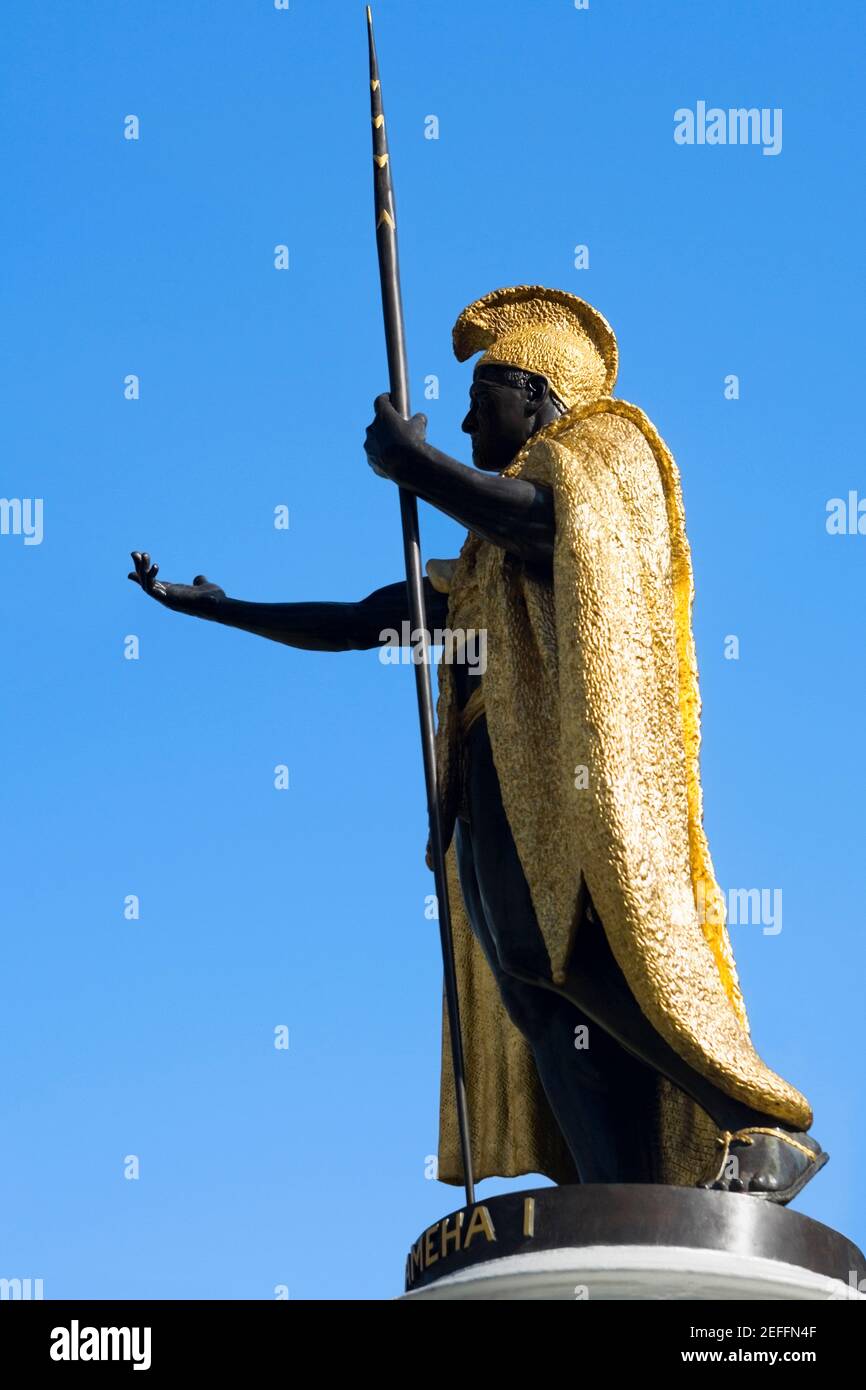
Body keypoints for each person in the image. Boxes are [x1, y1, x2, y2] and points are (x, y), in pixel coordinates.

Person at [130, 285, 826, 1202]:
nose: (461, 418)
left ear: (535, 393)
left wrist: (416, 468)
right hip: (491, 771)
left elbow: (554, 525)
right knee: (529, 986)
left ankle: (757, 1120)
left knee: (562, 950)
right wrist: (225, 611)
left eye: (478, 396)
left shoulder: (605, 451)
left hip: (565, 767)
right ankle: (621, 1198)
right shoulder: (482, 559)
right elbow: (372, 618)